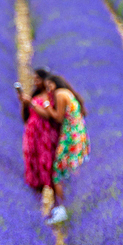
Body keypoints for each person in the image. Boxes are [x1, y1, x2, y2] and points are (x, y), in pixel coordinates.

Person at [28, 73, 89, 224]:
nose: (48, 90)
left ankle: (62, 209)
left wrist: (46, 106)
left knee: (58, 172)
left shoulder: (60, 94)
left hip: (70, 136)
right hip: (78, 134)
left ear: (56, 84)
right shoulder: (68, 93)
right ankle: (72, 206)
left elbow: (58, 117)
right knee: (71, 168)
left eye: (50, 86)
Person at [16, 67, 60, 194]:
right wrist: (25, 104)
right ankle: (36, 200)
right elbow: (26, 117)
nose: (35, 82)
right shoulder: (34, 96)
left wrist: (31, 103)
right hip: (32, 134)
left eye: (38, 79)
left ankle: (55, 202)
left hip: (44, 134)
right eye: (34, 79)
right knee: (32, 164)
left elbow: (47, 115)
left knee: (46, 163)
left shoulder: (50, 96)